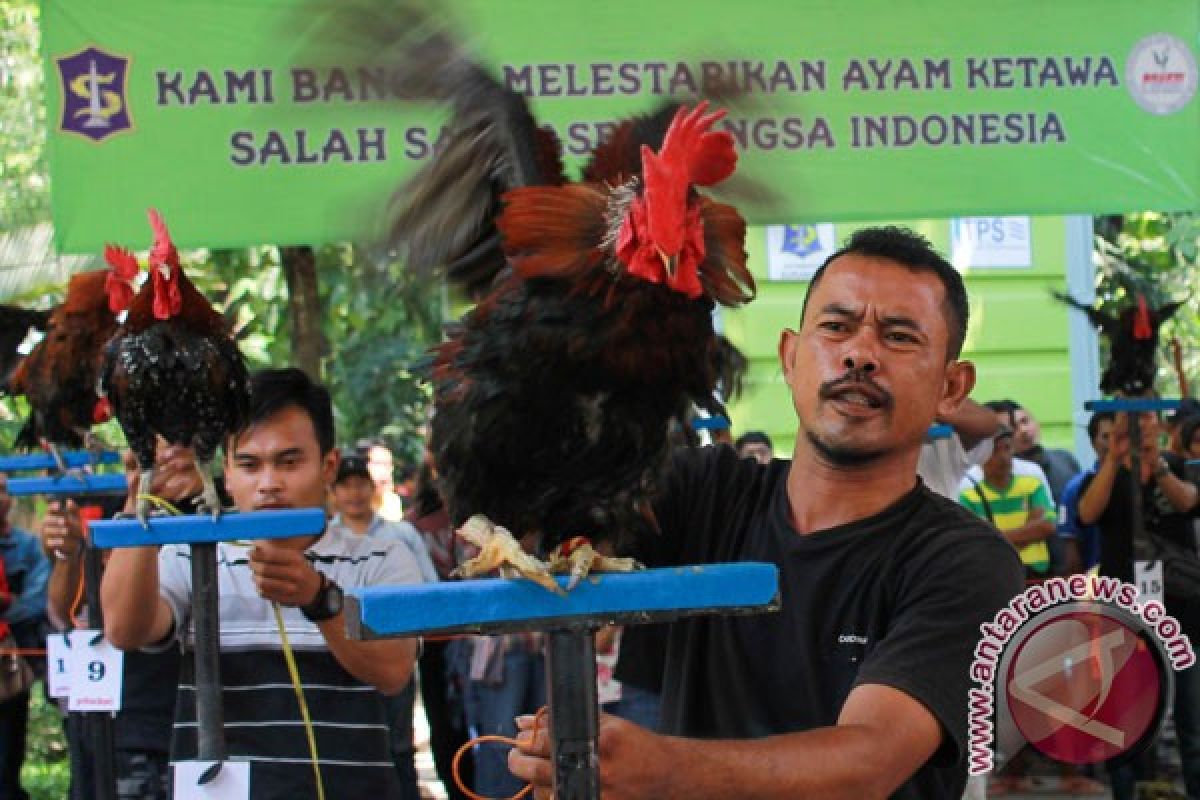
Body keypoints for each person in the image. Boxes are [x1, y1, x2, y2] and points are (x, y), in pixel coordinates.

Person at [509, 226, 1024, 798]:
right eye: (836, 327)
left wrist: (660, 769)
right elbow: (553, 513)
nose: (860, 354)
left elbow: (869, 761)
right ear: (791, 355)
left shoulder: (968, 562)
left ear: (952, 388)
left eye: (900, 337)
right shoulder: (705, 489)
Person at [101, 368, 422, 798]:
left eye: (289, 462)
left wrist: (319, 598)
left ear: (327, 465)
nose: (269, 484)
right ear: (227, 474)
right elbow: (124, 629)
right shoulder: (195, 555)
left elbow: (393, 670)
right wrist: (141, 496)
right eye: (249, 465)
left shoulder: (381, 556)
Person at [41, 444, 194, 800]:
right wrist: (67, 552)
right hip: (106, 723)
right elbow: (64, 612)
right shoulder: (106, 501)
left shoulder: (217, 499)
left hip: (171, 721)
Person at [1076, 405, 1200, 800]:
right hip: (1123, 612)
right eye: (1128, 424)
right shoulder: (1103, 475)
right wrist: (1114, 459)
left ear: (1160, 426)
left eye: (1146, 420)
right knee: (1126, 718)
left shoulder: (1179, 467)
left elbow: (1188, 503)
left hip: (1182, 612)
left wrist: (1156, 464)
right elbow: (1087, 512)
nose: (1138, 428)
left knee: (1192, 722)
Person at [329, 450, 437, 800]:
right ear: (334, 491)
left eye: (361, 484)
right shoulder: (323, 539)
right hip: (339, 660)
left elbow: (429, 592)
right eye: (345, 486)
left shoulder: (402, 535)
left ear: (372, 488)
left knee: (398, 748)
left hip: (393, 656)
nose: (354, 494)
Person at [0, 473, 49, 800]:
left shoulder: (27, 546)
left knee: (7, 753)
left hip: (12, 666)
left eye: (3, 488)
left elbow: (36, 602)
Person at [959, 423, 1057, 580]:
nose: (1004, 457)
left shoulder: (1032, 485)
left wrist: (997, 537)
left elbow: (1047, 526)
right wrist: (1028, 531)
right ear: (980, 456)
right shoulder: (969, 497)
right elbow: (977, 542)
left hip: (1035, 576)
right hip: (996, 576)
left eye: (1007, 448)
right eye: (995, 450)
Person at [1056, 411, 1114, 574]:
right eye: (1106, 436)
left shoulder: (1139, 480)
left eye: (1117, 436)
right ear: (1093, 443)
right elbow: (1071, 549)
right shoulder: (1075, 488)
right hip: (1098, 585)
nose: (1112, 443)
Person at [358, 437, 405, 521]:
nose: (387, 470)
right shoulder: (349, 500)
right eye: (379, 463)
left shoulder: (392, 500)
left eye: (389, 464)